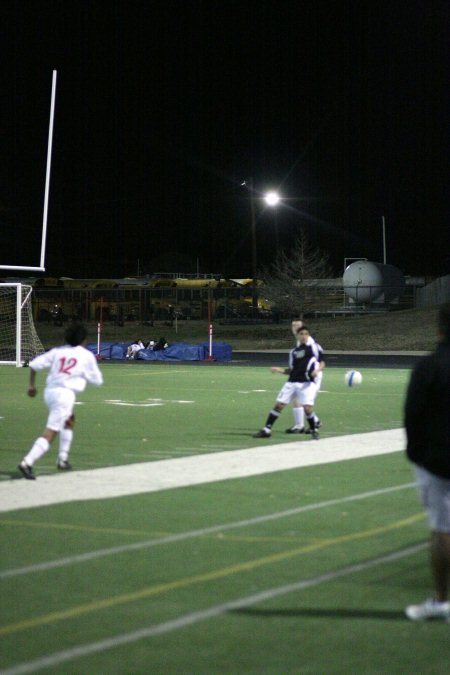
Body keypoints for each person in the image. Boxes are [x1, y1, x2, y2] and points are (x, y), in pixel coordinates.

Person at [404, 304, 450, 621]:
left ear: (438, 330)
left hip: (438, 460)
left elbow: (412, 417)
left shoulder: (429, 366)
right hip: (437, 457)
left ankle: (442, 600)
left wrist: (418, 456)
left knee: (442, 531)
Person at [17, 323, 104, 480]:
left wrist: (31, 386)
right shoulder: (86, 356)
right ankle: (27, 462)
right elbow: (97, 381)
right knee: (51, 432)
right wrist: (84, 374)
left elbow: (35, 365)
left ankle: (63, 459)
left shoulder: (58, 351)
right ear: (84, 340)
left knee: (69, 420)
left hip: (50, 392)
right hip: (64, 395)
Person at [253, 325, 325, 440]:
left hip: (306, 383)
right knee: (279, 405)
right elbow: (291, 370)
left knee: (307, 408)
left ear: (309, 336)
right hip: (291, 382)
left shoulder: (314, 348)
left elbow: (322, 362)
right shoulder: (293, 352)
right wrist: (279, 370)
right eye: (301, 334)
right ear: (297, 336)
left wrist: (317, 370)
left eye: (306, 334)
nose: (304, 336)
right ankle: (267, 429)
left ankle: (314, 430)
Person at [286, 318, 324, 434]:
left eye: (298, 326)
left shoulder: (308, 342)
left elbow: (318, 358)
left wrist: (316, 370)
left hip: (312, 374)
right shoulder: (300, 341)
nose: (295, 328)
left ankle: (300, 426)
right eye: (294, 326)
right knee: (301, 399)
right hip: (307, 374)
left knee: (299, 398)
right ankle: (314, 422)